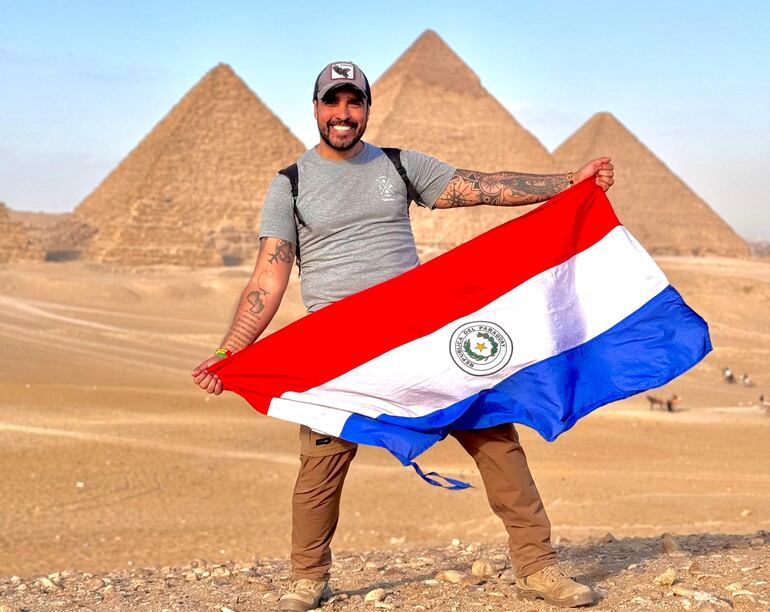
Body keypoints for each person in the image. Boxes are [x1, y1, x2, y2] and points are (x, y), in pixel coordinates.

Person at [192, 61, 614, 610]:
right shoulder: (289, 184)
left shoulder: (398, 166)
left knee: (493, 435)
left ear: (366, 108)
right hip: (338, 345)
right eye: (332, 102)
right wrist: (232, 349)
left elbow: (478, 187)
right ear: (316, 108)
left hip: (416, 332)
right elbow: (268, 276)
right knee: (320, 465)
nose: (342, 114)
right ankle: (307, 577)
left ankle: (538, 566)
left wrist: (567, 184)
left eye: (353, 102)